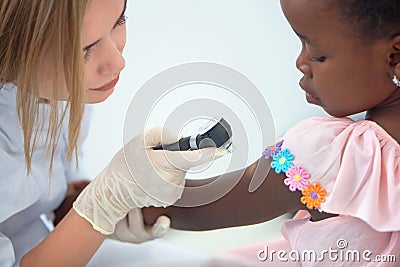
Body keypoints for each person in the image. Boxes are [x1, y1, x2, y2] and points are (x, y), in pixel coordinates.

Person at [142, 0, 400, 266]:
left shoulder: (336, 153)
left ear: (395, 56)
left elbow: (193, 206)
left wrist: (115, 190)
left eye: (318, 54)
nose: (301, 63)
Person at [0, 1, 222, 266]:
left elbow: (50, 190)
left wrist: (90, 204)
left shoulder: (55, 90)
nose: (118, 62)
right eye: (81, 51)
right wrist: (101, 207)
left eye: (118, 21)